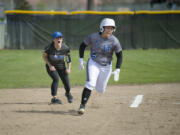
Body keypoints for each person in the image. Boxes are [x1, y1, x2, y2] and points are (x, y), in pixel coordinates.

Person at [78, 18, 123, 114]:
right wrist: (81, 59)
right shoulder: (93, 37)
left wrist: (118, 69)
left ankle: (96, 89)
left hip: (106, 66)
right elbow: (82, 45)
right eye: (107, 28)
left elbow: (119, 55)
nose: (109, 30)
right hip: (93, 63)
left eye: (111, 28)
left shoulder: (114, 41)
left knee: (101, 89)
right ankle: (82, 106)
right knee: (90, 84)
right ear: (102, 28)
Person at [42, 31, 73, 104]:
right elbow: (44, 57)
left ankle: (68, 93)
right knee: (56, 79)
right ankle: (54, 98)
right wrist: (50, 65)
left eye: (60, 38)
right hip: (51, 66)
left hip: (61, 66)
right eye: (57, 38)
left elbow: (68, 59)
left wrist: (68, 69)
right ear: (53, 40)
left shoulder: (65, 48)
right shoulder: (49, 48)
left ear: (62, 39)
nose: (59, 39)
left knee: (67, 83)